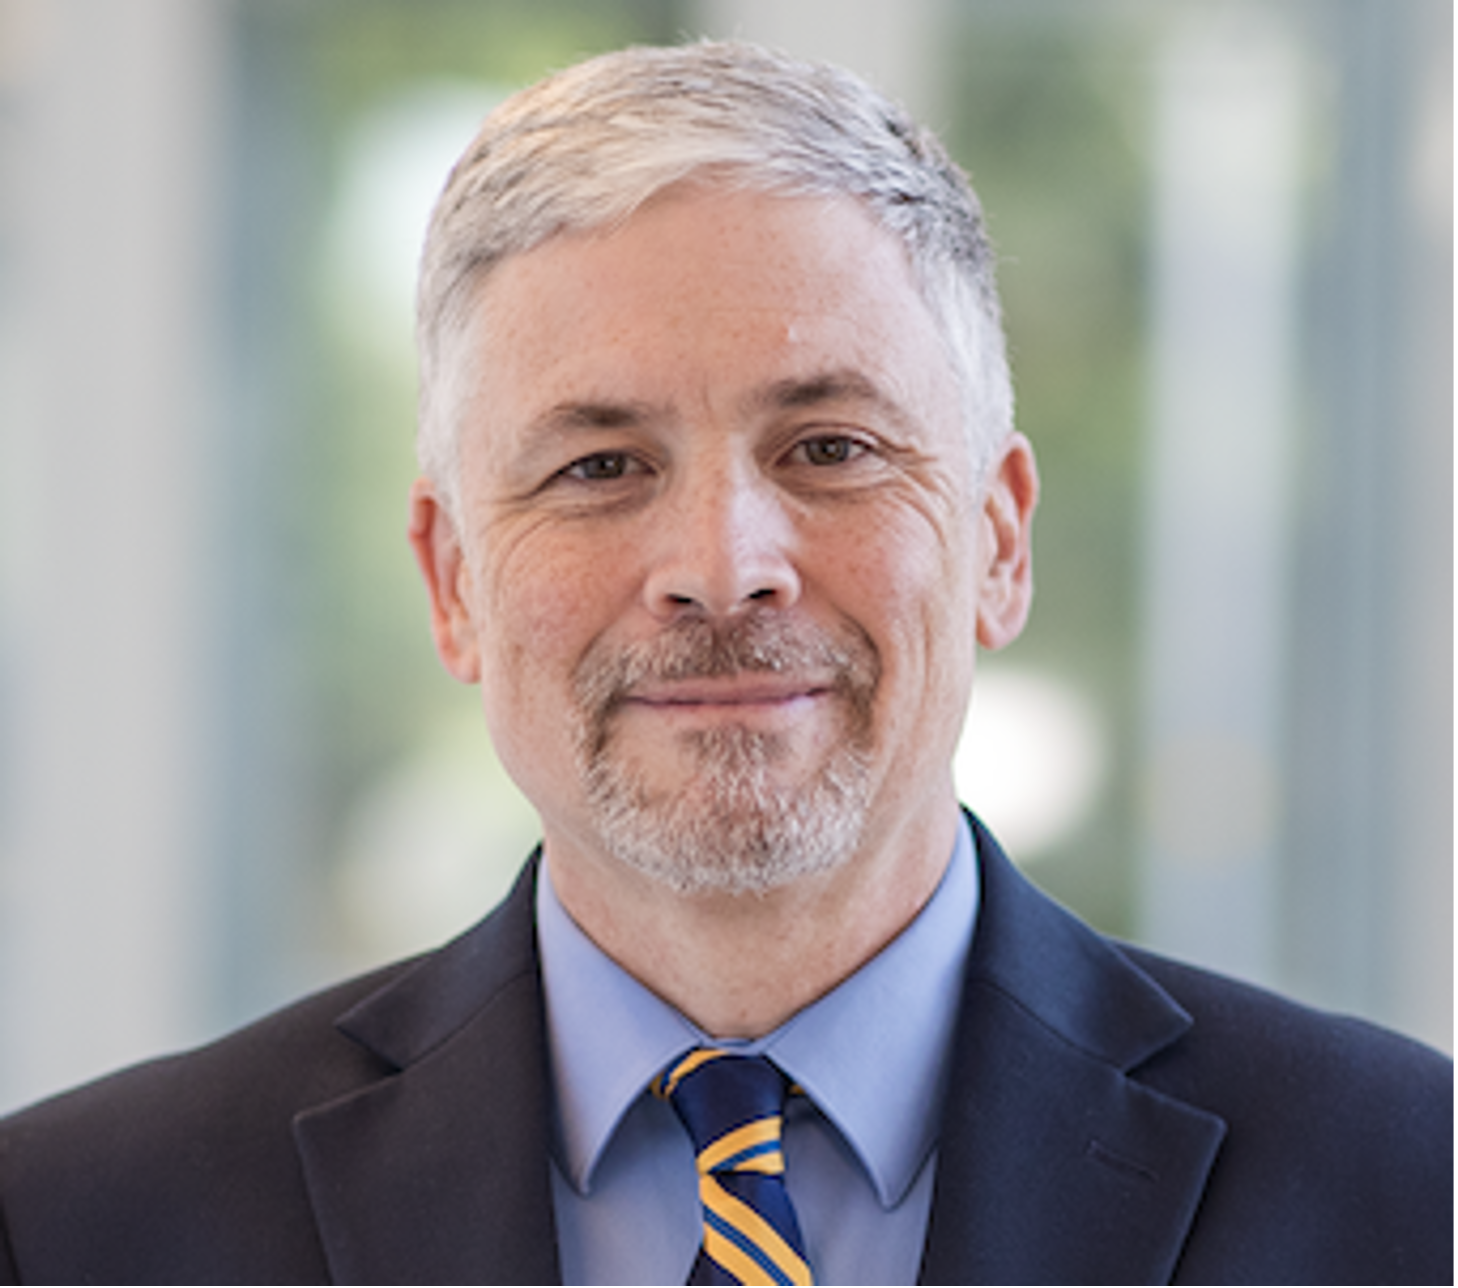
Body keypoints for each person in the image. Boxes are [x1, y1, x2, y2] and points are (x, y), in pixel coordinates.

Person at [0, 39, 1450, 1288]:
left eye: (827, 449)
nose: (719, 562)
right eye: (598, 464)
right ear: (451, 582)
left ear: (999, 541)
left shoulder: (1405, 1192)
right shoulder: (78, 1225)